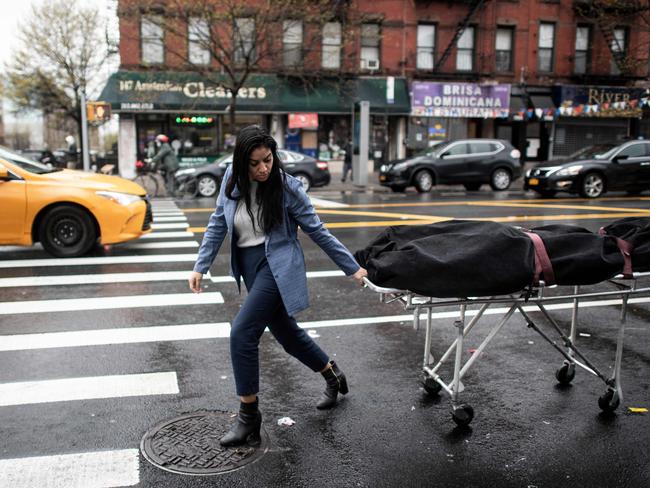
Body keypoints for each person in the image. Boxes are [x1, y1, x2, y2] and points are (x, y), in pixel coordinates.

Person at [188, 125, 367, 448]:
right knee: (286, 333)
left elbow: (318, 230)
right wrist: (201, 264)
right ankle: (332, 374)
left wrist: (352, 268)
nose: (263, 168)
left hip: (277, 266)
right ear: (242, 162)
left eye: (268, 160)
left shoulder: (286, 187)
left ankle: (248, 417)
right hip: (249, 265)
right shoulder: (230, 178)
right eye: (255, 163)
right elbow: (217, 222)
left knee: (242, 332)